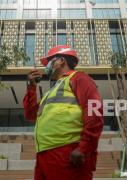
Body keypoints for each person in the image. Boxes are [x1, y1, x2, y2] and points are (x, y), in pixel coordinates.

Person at [24, 45, 104, 180]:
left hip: (67, 153)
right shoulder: (52, 90)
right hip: (43, 155)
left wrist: (84, 148)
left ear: (61, 60)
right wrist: (31, 87)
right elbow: (30, 115)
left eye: (49, 62)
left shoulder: (79, 78)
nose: (46, 66)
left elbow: (94, 111)